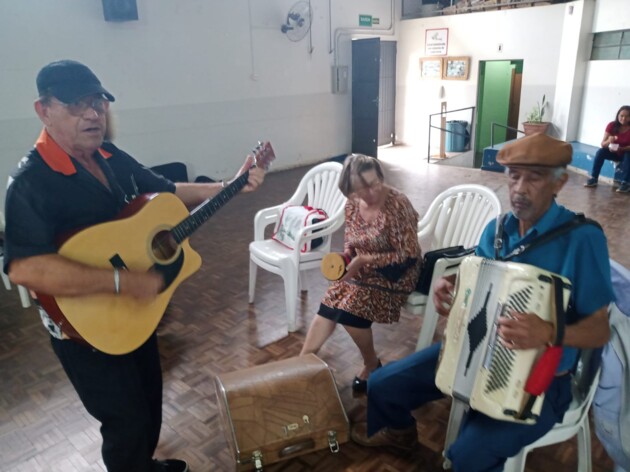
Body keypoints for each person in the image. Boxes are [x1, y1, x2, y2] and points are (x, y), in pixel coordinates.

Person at [3, 60, 265, 472]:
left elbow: (166, 191)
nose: (92, 114)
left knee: (148, 400)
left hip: (136, 313)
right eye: (76, 104)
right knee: (123, 421)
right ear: (43, 110)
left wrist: (230, 185)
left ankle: (145, 465)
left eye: (97, 103)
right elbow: (25, 269)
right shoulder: (31, 183)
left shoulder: (108, 154)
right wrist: (121, 282)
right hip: (84, 329)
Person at [351, 134, 614, 471]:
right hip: (474, 349)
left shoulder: (582, 239)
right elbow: (480, 277)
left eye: (533, 178)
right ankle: (401, 432)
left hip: (543, 375)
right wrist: (452, 287)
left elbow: (599, 330)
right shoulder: (498, 229)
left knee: (467, 456)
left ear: (559, 182)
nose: (519, 188)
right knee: (381, 384)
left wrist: (549, 330)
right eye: (514, 176)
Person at [300, 154, 421, 392]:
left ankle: (372, 364)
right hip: (362, 268)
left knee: (350, 311)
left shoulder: (398, 203)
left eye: (374, 183)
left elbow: (408, 254)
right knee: (330, 303)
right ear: (349, 190)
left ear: (380, 176)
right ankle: (302, 360)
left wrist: (364, 260)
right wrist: (346, 259)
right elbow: (350, 243)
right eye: (360, 189)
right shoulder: (352, 204)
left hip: (395, 273)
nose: (370, 192)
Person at [584, 105, 630, 193]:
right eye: (621, 115)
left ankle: (625, 183)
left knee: (628, 155)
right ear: (618, 115)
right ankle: (594, 178)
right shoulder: (612, 125)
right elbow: (603, 144)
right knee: (601, 152)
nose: (624, 118)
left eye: (627, 116)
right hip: (614, 152)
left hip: (626, 153)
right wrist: (609, 141)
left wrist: (622, 149)